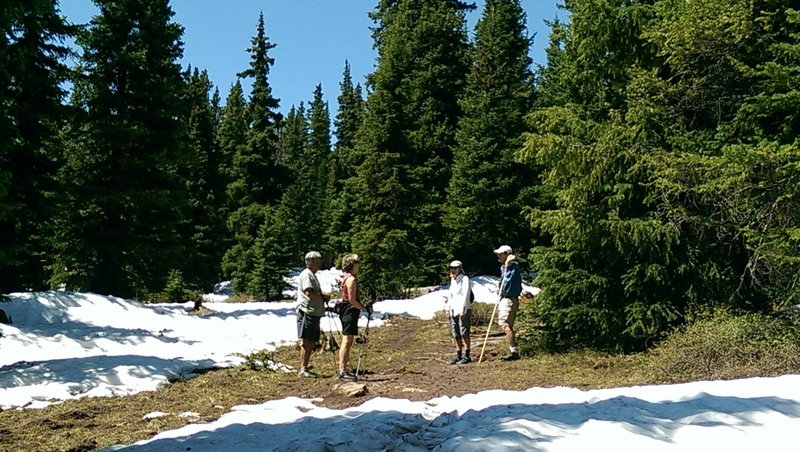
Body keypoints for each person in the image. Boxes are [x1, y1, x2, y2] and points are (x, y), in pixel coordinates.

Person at [336, 253, 370, 380]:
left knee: (348, 339)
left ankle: (343, 369)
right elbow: (352, 300)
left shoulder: (346, 277)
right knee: (347, 340)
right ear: (352, 264)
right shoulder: (351, 279)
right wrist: (364, 308)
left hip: (347, 310)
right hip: (349, 310)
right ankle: (342, 371)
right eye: (357, 263)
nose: (359, 265)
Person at [296, 251, 328, 377]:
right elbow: (308, 292)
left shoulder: (311, 274)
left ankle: (305, 367)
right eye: (318, 260)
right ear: (311, 262)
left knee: (311, 341)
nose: (319, 263)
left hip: (313, 312)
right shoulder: (307, 275)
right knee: (307, 341)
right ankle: (303, 369)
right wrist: (323, 295)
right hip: (307, 311)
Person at [494, 245, 522, 361]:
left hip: (510, 299)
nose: (498, 256)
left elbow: (509, 281)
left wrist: (507, 267)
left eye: (500, 254)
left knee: (505, 325)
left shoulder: (514, 267)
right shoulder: (503, 268)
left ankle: (514, 352)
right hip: (504, 298)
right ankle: (513, 350)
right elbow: (502, 282)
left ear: (506, 254)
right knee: (505, 325)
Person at [445, 260, 472, 364]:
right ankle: (458, 355)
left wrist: (463, 310)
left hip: (462, 309)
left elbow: (466, 295)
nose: (453, 270)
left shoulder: (465, 279)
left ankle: (467, 355)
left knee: (464, 332)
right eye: (451, 268)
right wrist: (449, 309)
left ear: (460, 268)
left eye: (455, 268)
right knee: (456, 334)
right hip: (453, 310)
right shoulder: (452, 280)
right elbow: (451, 296)